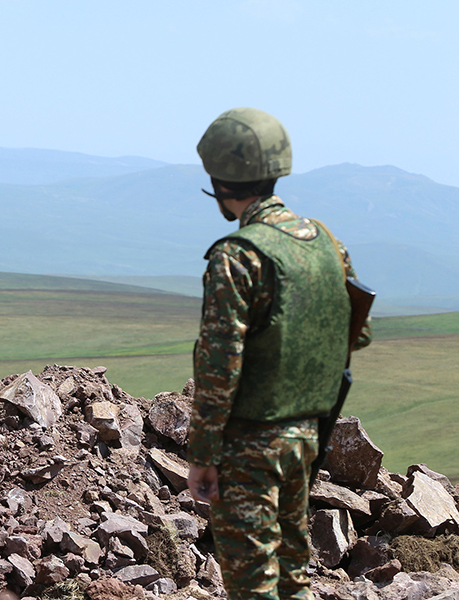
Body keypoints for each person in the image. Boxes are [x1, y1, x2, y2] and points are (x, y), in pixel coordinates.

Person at [186, 107, 372, 600]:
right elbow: (359, 333)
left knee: (252, 585)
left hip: (250, 445)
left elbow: (218, 366)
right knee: (292, 574)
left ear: (220, 179)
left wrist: (203, 456)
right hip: (307, 437)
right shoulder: (327, 243)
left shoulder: (238, 256)